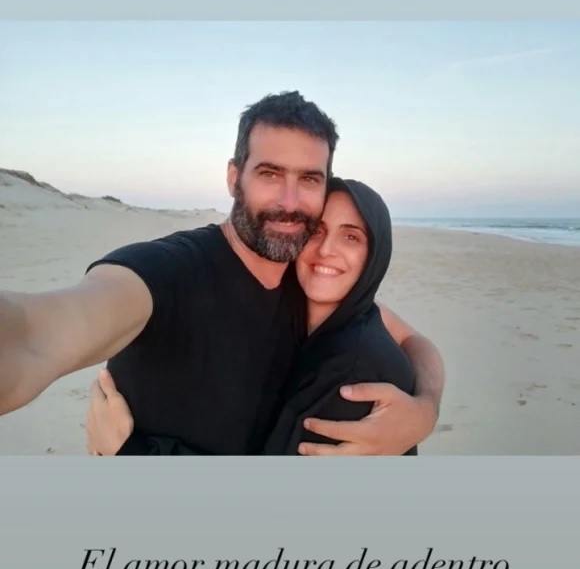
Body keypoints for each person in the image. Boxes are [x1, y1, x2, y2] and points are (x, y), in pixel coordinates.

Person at [0, 92, 444, 454]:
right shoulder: (167, 273)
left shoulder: (306, 281)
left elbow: (412, 340)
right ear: (234, 178)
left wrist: (423, 411)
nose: (290, 202)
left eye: (309, 179)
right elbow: (33, 335)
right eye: (270, 173)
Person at [88, 176, 419, 456]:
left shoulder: (352, 373)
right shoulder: (320, 315)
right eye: (317, 231)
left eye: (351, 237)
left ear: (374, 257)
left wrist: (128, 451)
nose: (326, 249)